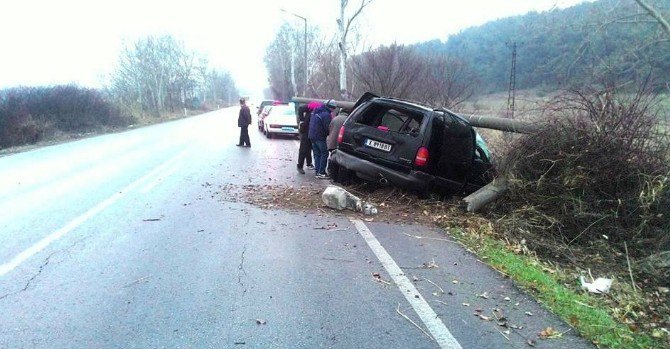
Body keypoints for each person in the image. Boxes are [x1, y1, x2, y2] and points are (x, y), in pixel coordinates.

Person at [308, 99, 336, 179]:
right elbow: (327, 127)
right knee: (324, 153)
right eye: (333, 108)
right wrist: (330, 133)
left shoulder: (316, 111)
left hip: (312, 136)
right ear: (330, 107)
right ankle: (321, 172)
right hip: (319, 137)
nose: (333, 110)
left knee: (317, 154)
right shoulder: (326, 115)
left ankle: (317, 171)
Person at [296, 101, 319, 174]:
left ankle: (309, 163)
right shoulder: (314, 106)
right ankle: (300, 166)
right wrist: (302, 120)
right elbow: (300, 108)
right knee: (304, 148)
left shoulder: (320, 111)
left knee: (309, 148)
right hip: (306, 130)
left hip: (312, 131)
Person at [326, 110, 349, 177]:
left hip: (332, 142)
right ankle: (336, 175)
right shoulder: (347, 119)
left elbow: (329, 128)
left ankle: (330, 172)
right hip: (340, 143)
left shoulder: (335, 118)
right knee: (339, 159)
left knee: (332, 157)